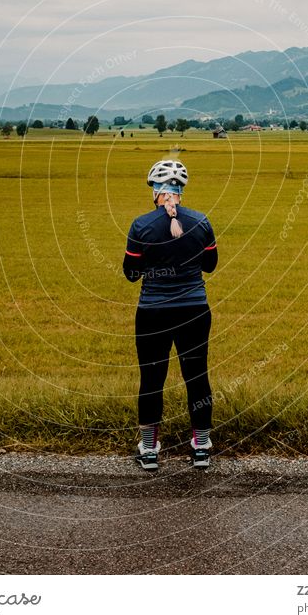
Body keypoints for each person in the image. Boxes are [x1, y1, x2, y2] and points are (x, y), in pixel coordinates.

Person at [123, 159, 218, 470]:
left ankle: (149, 452)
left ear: (155, 192)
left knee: (152, 379)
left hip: (153, 313)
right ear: (180, 192)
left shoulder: (141, 226)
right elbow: (209, 265)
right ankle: (201, 446)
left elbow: (131, 273)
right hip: (194, 310)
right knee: (197, 377)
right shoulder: (201, 222)